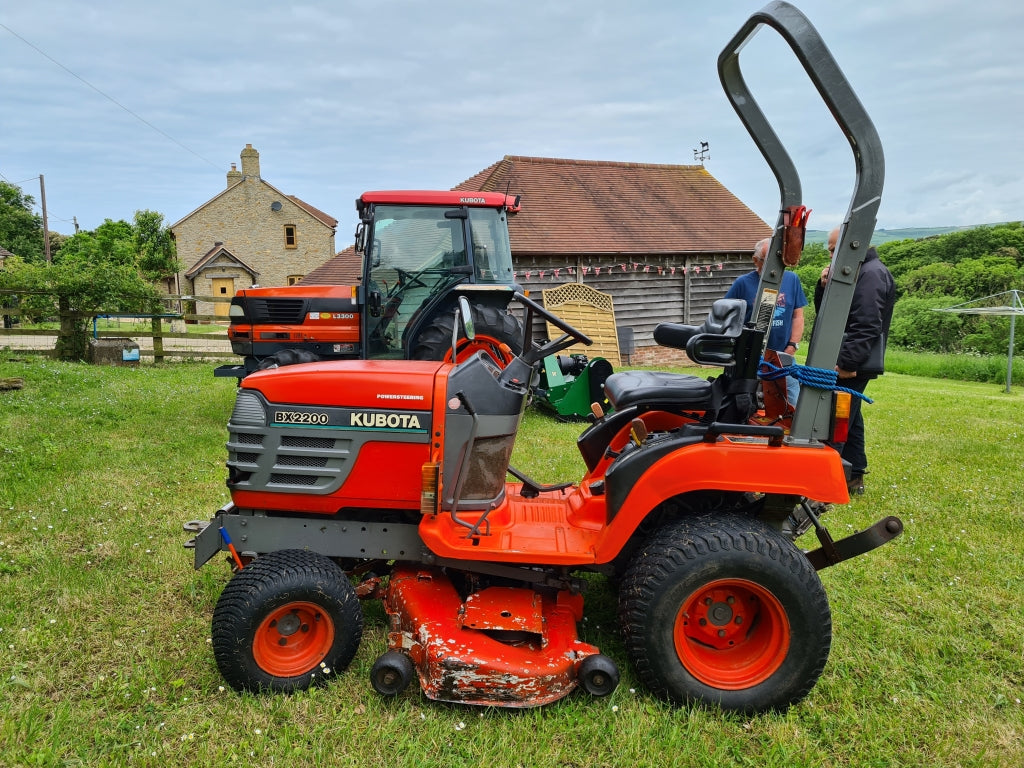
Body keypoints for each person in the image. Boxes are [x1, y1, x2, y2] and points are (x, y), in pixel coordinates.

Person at [815, 227, 895, 495]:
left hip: (852, 363)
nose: (829, 254)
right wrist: (823, 286)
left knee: (836, 418)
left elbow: (867, 325)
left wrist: (848, 363)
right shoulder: (856, 272)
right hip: (848, 359)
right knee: (851, 415)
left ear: (852, 246)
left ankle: (826, 481)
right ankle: (854, 475)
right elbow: (827, 313)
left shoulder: (871, 275)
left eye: (833, 248)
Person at [725, 237, 807, 406]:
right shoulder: (742, 284)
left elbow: (798, 316)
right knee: (747, 406)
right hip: (749, 359)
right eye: (769, 260)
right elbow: (727, 316)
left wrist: (792, 347)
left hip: (783, 356)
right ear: (756, 260)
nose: (776, 265)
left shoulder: (792, 280)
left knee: (792, 404)